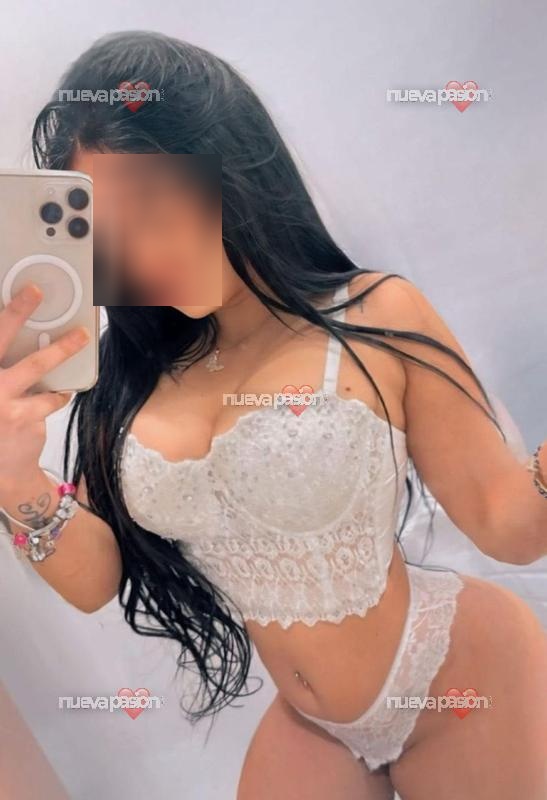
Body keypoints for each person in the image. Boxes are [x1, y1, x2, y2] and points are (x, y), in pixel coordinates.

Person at [1, 31, 546, 799]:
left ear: (229, 170)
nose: (142, 254)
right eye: (111, 232)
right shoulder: (130, 379)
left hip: (453, 676)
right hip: (310, 721)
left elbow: (507, 525)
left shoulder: (375, 314)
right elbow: (94, 581)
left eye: (151, 206)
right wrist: (15, 476)